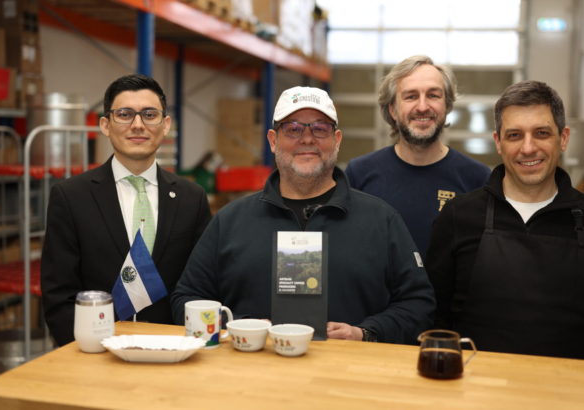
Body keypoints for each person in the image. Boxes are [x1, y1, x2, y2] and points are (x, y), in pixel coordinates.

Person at [171, 86, 435, 344]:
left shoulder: (381, 220)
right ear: (273, 141)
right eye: (293, 128)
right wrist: (240, 327)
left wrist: (365, 333)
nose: (307, 139)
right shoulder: (230, 220)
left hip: (348, 370)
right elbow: (187, 298)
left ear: (337, 140)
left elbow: (418, 304)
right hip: (251, 369)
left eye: (320, 128)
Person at [41, 74, 212, 346]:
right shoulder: (71, 197)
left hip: (174, 350)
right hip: (97, 352)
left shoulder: (192, 198)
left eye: (149, 115)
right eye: (124, 114)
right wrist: (84, 351)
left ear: (166, 125)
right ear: (105, 125)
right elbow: (58, 294)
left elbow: (202, 284)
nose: (138, 125)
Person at [426, 80, 584, 359]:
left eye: (541, 133)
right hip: (476, 382)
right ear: (498, 142)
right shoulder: (458, 216)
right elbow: (434, 318)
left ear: (563, 138)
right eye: (514, 135)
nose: (528, 148)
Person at [345, 55, 491, 260]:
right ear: (393, 110)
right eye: (411, 96)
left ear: (447, 106)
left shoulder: (477, 178)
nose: (422, 107)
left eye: (433, 95)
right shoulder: (359, 174)